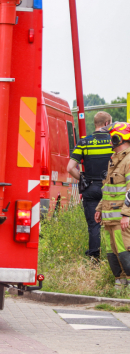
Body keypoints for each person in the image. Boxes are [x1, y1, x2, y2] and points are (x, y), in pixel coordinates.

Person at [68, 111, 113, 259]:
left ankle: (94, 258)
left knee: (94, 225)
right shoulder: (114, 141)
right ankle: (115, 257)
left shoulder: (84, 142)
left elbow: (70, 168)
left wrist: (83, 178)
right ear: (107, 123)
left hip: (91, 187)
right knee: (115, 224)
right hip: (112, 188)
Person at [95, 122, 130, 288]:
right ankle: (120, 284)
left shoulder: (128, 160)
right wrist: (100, 208)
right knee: (112, 253)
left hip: (121, 219)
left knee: (124, 252)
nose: (110, 141)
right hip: (110, 219)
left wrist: (126, 214)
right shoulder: (115, 160)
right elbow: (108, 187)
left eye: (111, 137)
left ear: (119, 138)